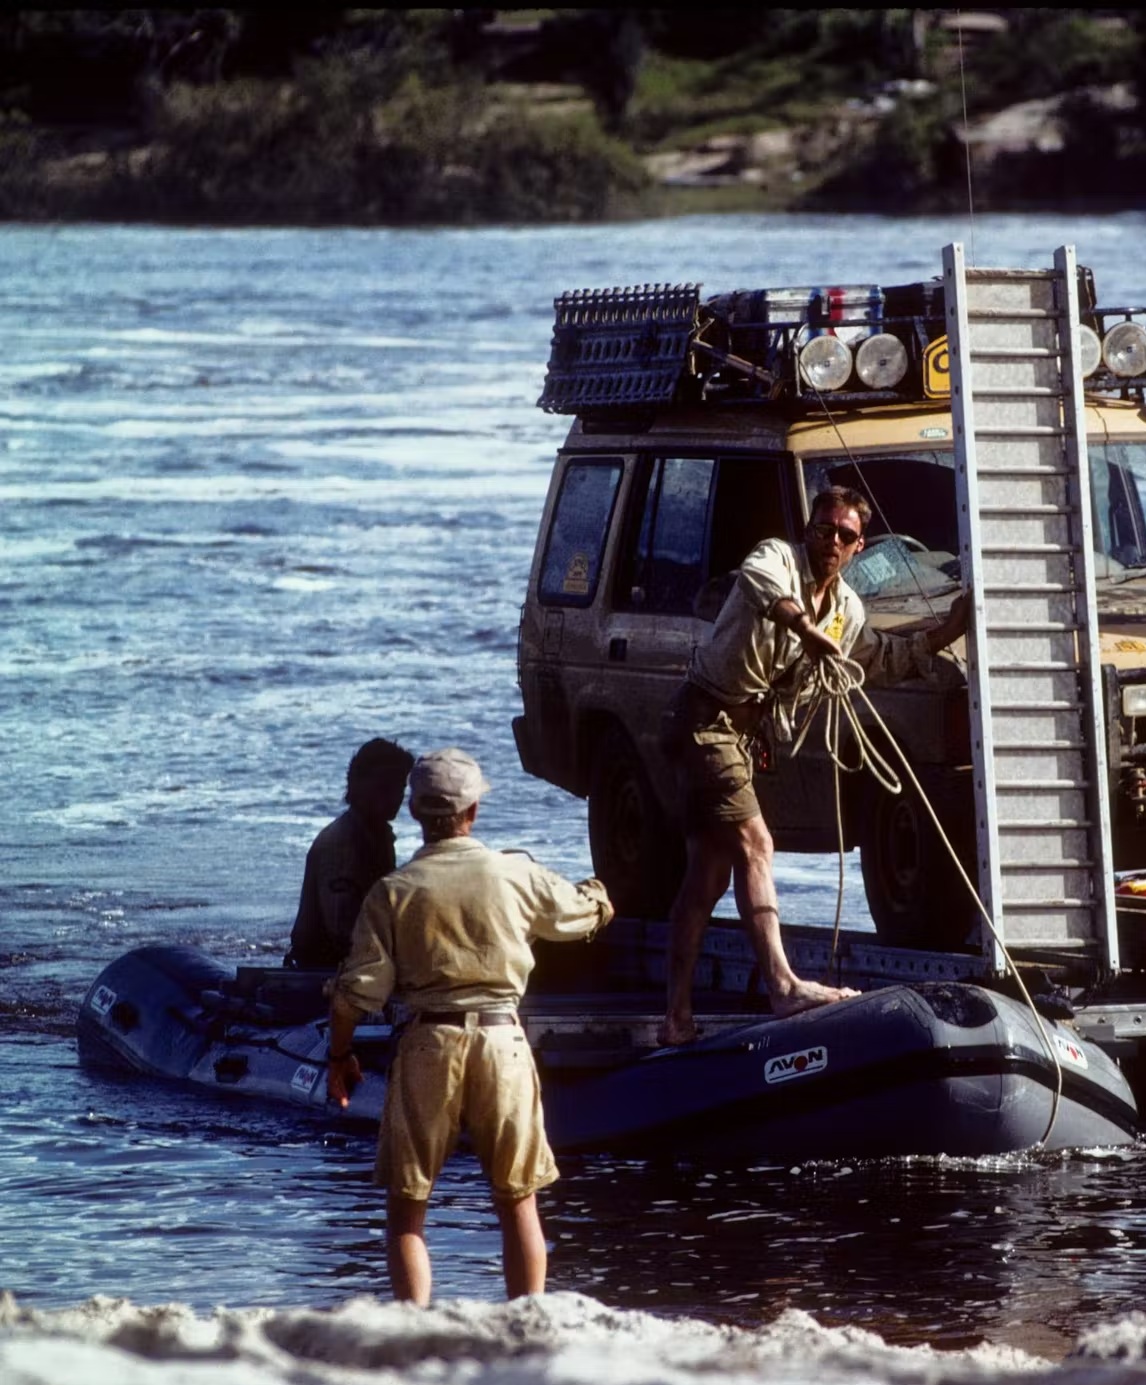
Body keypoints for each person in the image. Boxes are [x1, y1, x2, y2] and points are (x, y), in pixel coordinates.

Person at [660, 485, 972, 1045]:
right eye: (824, 529)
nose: (832, 541)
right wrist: (806, 629)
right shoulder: (776, 558)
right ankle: (783, 986)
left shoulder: (848, 611)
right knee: (756, 845)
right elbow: (759, 587)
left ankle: (675, 1020)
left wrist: (950, 629)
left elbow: (882, 658)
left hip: (743, 737)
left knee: (706, 875)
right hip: (703, 720)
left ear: (860, 547)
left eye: (845, 535)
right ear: (808, 531)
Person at [326, 748, 613, 1304]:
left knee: (409, 1207)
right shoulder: (515, 873)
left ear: (414, 811)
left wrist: (340, 1058)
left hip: (429, 1042)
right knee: (517, 1199)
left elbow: (354, 996)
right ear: (473, 810)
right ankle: (526, 1322)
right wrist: (602, 895)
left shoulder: (392, 891)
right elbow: (581, 916)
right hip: (503, 1040)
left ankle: (415, 1327)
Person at [287, 737, 415, 969]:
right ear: (356, 784)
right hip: (321, 971)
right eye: (384, 787)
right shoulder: (342, 844)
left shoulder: (375, 835)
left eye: (400, 788)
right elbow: (342, 932)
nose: (394, 797)